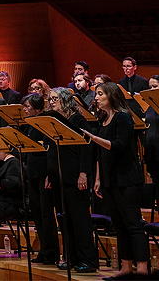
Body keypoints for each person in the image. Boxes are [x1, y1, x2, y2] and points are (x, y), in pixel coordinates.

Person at [82, 81, 148, 278]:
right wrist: (99, 179)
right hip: (110, 179)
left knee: (133, 224)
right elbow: (101, 154)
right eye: (97, 94)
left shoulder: (123, 118)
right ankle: (126, 267)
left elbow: (118, 146)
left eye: (101, 93)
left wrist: (94, 138)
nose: (97, 97)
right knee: (118, 225)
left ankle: (143, 268)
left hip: (127, 179)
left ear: (111, 96)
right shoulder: (103, 119)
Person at [44, 88, 97, 273]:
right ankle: (71, 257)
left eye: (55, 99)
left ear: (66, 100)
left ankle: (88, 260)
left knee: (79, 219)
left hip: (75, 176)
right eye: (50, 99)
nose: (51, 102)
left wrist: (83, 173)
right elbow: (51, 150)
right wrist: (50, 175)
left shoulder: (77, 119)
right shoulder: (53, 121)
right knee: (64, 219)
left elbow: (86, 148)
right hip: (58, 177)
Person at [19, 94, 59, 264]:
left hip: (44, 174)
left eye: (27, 107)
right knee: (37, 214)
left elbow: (50, 150)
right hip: (32, 174)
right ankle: (44, 250)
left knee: (46, 214)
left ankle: (51, 252)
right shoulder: (29, 124)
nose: (24, 110)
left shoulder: (43, 122)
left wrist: (50, 173)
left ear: (37, 108)